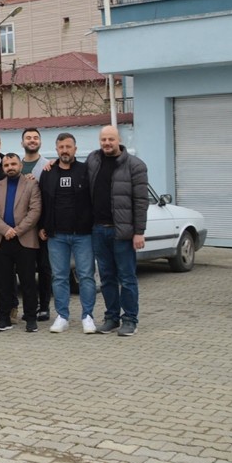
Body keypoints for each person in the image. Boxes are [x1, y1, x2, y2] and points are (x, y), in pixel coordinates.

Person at [87, 125, 147, 337]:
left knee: (127, 277)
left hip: (122, 233)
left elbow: (141, 201)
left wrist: (139, 232)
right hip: (98, 230)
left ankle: (130, 319)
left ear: (119, 140)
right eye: (103, 139)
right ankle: (111, 317)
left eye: (111, 139)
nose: (107, 143)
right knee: (106, 278)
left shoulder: (135, 166)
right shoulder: (93, 161)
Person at [39, 133, 97, 334]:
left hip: (83, 234)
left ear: (75, 148)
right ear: (56, 149)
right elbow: (42, 202)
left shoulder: (86, 171)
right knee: (59, 277)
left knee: (86, 276)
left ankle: (87, 316)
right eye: (61, 147)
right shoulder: (48, 172)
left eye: (68, 146)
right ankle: (62, 316)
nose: (65, 150)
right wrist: (42, 226)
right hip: (56, 235)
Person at [0, 154, 43, 332]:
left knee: (28, 281)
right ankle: (4, 318)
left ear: (20, 165)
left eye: (13, 164)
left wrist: (17, 231)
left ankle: (31, 318)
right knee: (3, 282)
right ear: (3, 167)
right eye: (7, 164)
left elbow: (35, 211)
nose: (10, 167)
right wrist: (5, 230)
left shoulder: (31, 184)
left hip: (24, 239)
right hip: (1, 241)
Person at [20, 128, 54, 321]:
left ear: (40, 141)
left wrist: (46, 226)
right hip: (21, 228)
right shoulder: (16, 164)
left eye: (35, 138)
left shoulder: (47, 166)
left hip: (40, 228)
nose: (32, 141)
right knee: (25, 270)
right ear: (22, 142)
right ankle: (29, 307)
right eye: (28, 138)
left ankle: (44, 307)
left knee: (44, 267)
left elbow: (49, 199)